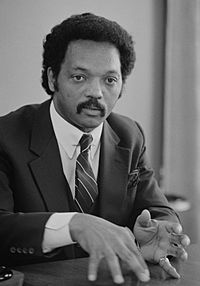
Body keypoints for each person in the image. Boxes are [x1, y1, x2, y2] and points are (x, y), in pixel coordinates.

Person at [0, 13, 190, 284]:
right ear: (53, 78)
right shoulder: (6, 136)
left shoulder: (129, 135)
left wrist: (158, 231)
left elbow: (157, 208)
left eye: (110, 80)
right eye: (79, 77)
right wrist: (74, 224)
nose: (96, 92)